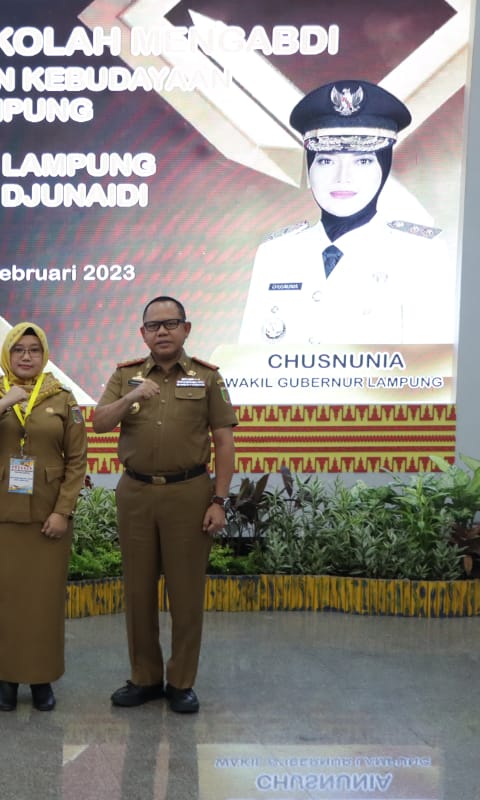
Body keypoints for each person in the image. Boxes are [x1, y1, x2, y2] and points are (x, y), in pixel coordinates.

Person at [92, 296, 237, 714]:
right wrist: (133, 395)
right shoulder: (126, 375)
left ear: (186, 329)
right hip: (136, 493)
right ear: (143, 333)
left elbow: (224, 441)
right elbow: (100, 423)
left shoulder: (207, 377)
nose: (162, 332)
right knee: (137, 592)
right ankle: (144, 678)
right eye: (153, 326)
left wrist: (219, 500)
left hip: (189, 494)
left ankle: (181, 682)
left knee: (186, 593)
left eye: (170, 324)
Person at [239, 79, 456, 345]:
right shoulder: (276, 253)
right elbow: (247, 367)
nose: (342, 178)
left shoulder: (419, 253)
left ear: (384, 168)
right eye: (327, 160)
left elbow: (432, 376)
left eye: (363, 161)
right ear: (309, 168)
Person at [0, 322, 88, 712]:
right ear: (6, 355)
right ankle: (6, 679)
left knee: (44, 601)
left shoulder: (62, 398)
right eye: (18, 350)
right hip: (0, 515)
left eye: (34, 350)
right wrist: (0, 406)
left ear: (44, 356)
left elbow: (77, 461)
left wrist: (63, 512)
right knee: (4, 600)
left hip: (49, 514)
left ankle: (42, 679)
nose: (26, 357)